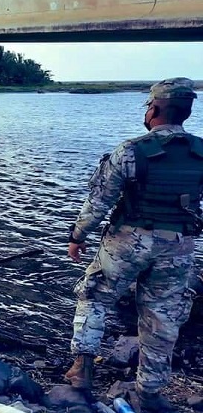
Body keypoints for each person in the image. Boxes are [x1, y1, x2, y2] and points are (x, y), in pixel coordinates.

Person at [64, 78, 200, 412]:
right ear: (187, 111)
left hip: (128, 241)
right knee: (163, 317)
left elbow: (99, 201)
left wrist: (77, 237)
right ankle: (149, 392)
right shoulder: (201, 152)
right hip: (178, 246)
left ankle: (82, 371)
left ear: (154, 109)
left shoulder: (131, 151)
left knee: (94, 296)